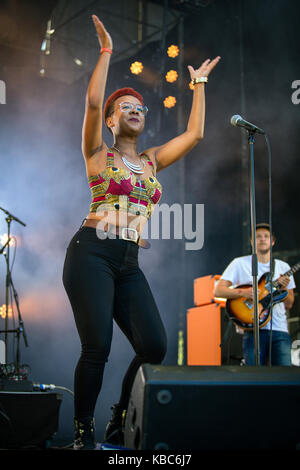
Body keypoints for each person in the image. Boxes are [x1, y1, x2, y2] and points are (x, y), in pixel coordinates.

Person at [62, 14, 220, 450]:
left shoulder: (151, 160)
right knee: (97, 348)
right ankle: (82, 434)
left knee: (154, 346)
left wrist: (199, 86)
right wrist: (107, 51)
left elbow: (196, 133)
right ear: (112, 121)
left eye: (140, 107)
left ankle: (118, 416)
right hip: (91, 252)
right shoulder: (98, 153)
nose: (135, 110)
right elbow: (93, 104)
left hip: (128, 262)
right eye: (125, 108)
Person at [214, 223, 295, 366]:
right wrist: (243, 292)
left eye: (266, 236)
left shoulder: (283, 267)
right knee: (254, 378)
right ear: (252, 242)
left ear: (273, 241)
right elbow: (218, 291)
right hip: (252, 330)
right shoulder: (239, 263)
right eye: (258, 237)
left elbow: (289, 304)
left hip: (280, 331)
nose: (262, 239)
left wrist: (284, 289)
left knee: (284, 377)